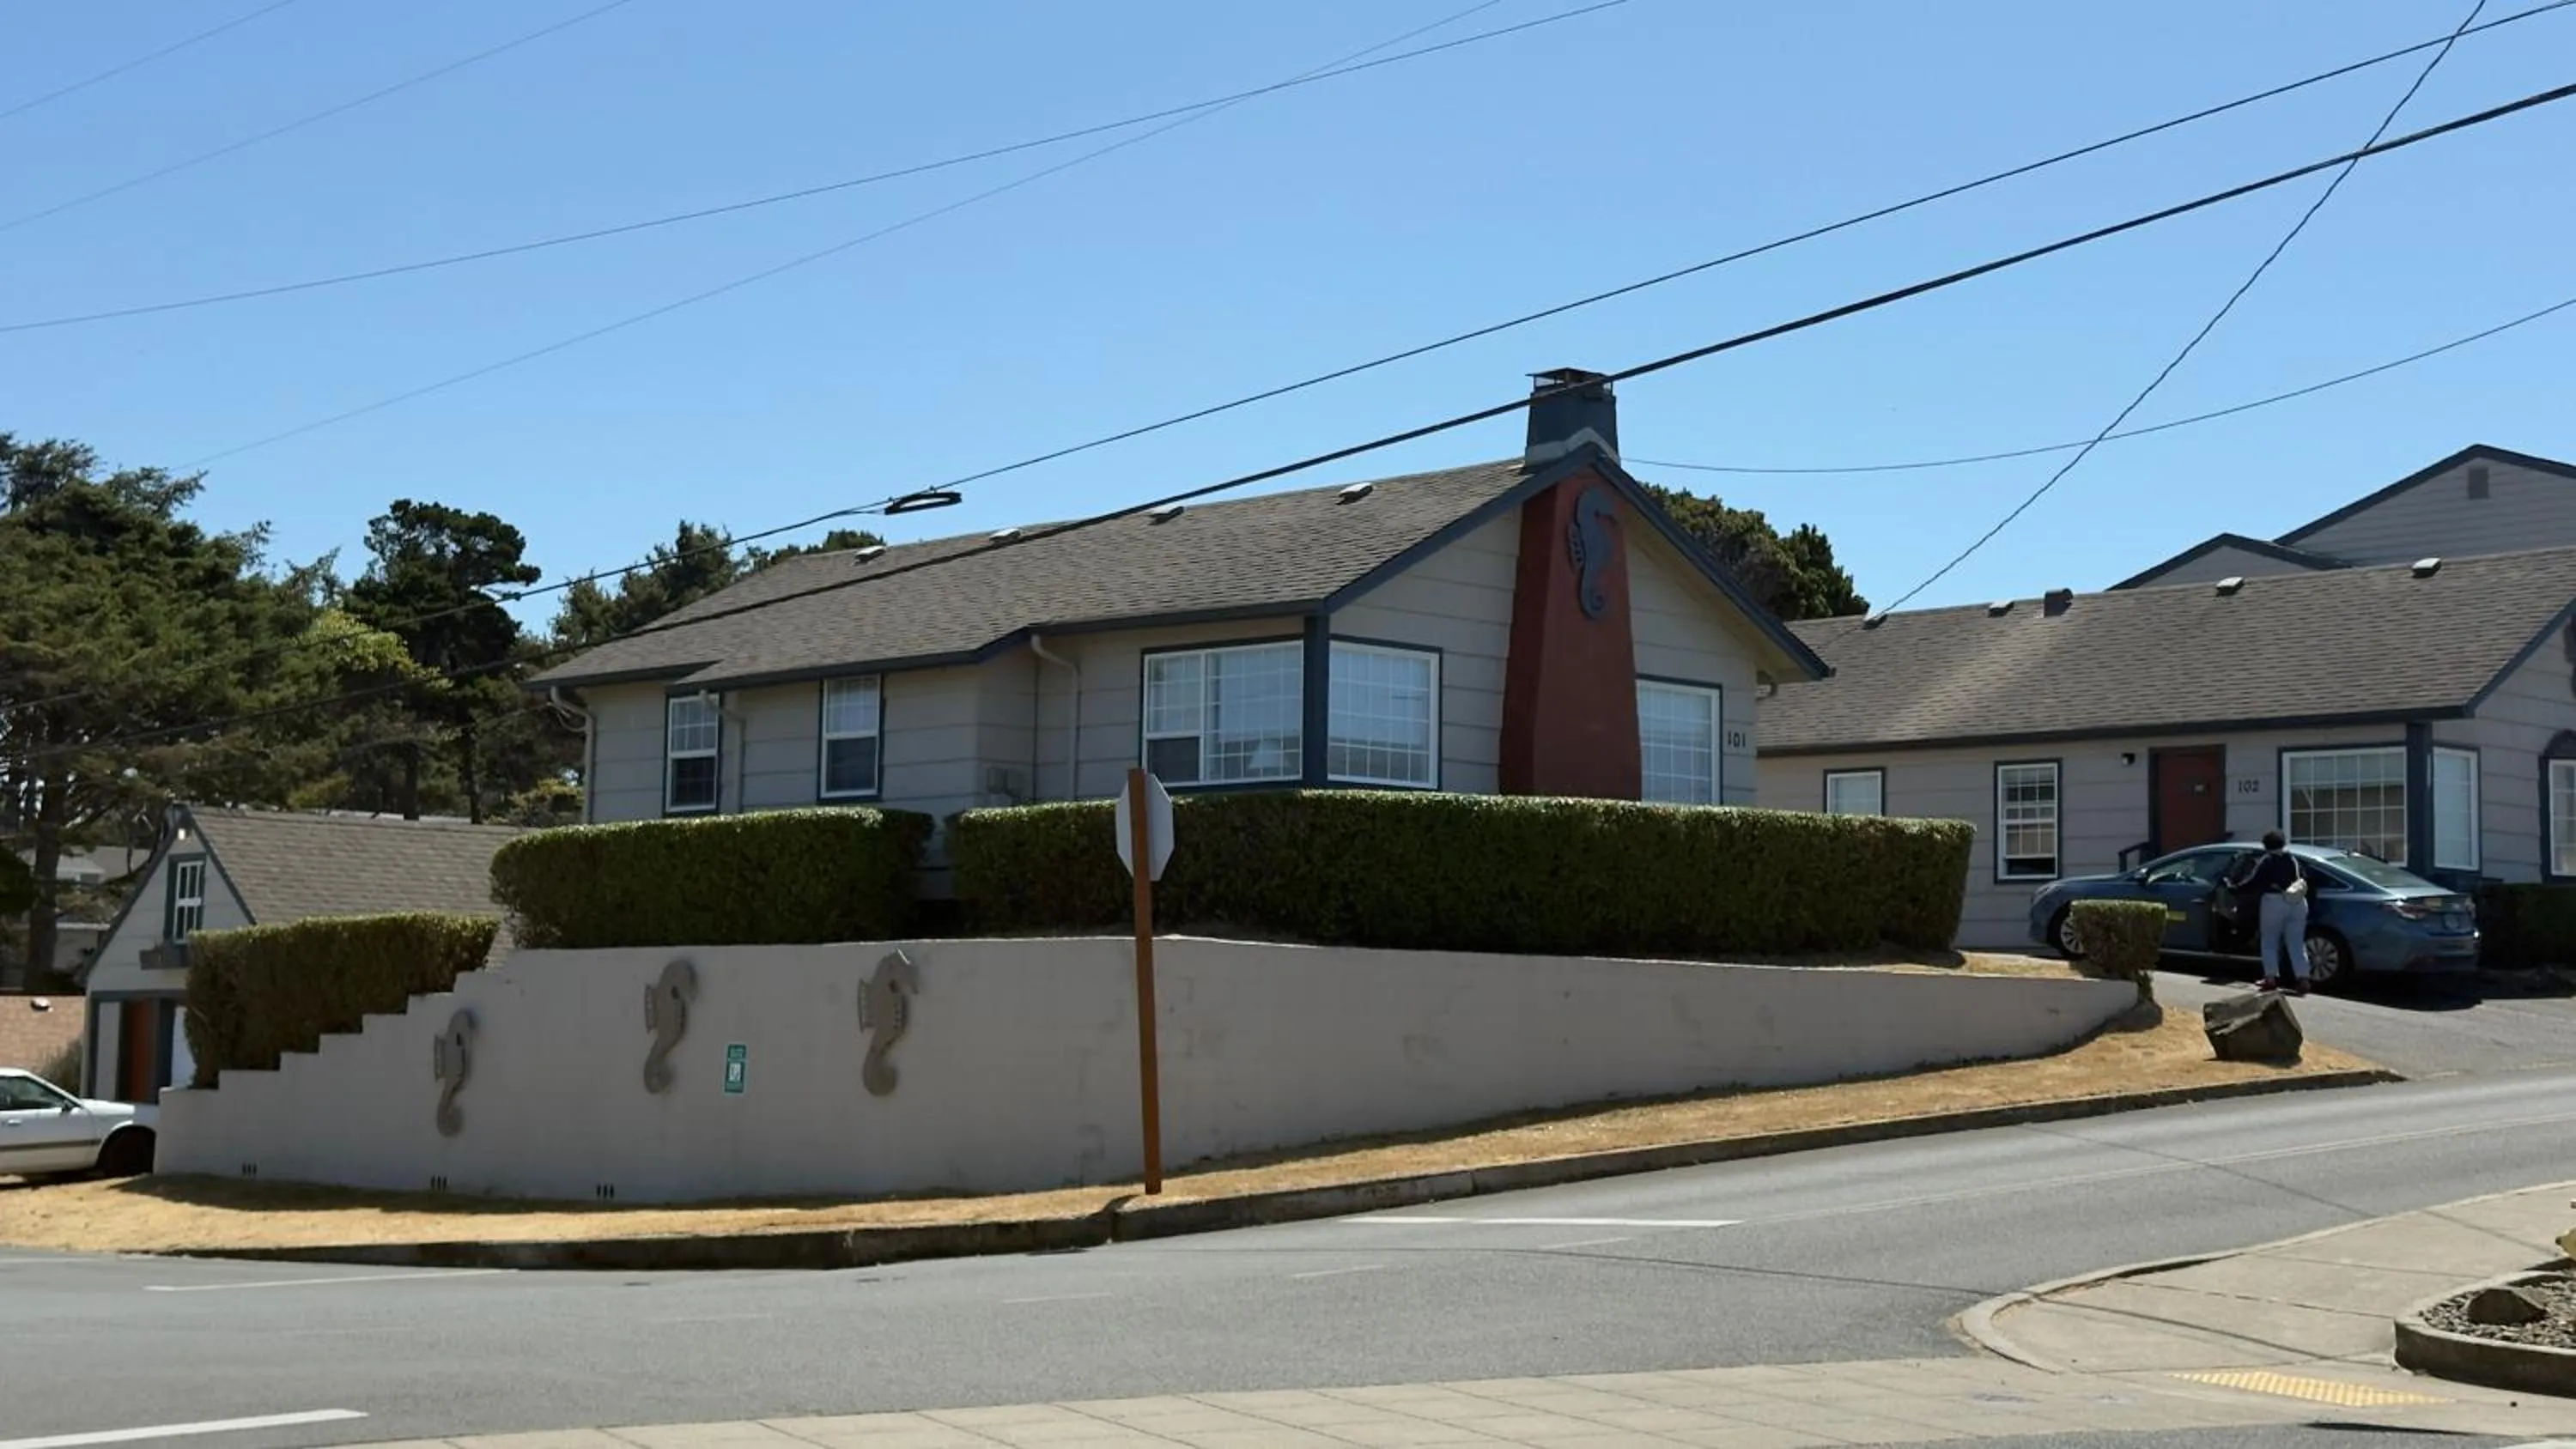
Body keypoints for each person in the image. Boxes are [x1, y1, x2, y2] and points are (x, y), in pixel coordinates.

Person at [2227, 831, 2312, 995]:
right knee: (2296, 942)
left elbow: (2253, 881)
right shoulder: (2293, 859)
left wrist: (2235, 888)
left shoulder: (2268, 860)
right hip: (2298, 902)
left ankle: (2270, 978)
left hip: (2274, 901)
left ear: (2266, 845)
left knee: (2270, 940)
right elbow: (2304, 878)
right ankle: (2303, 979)